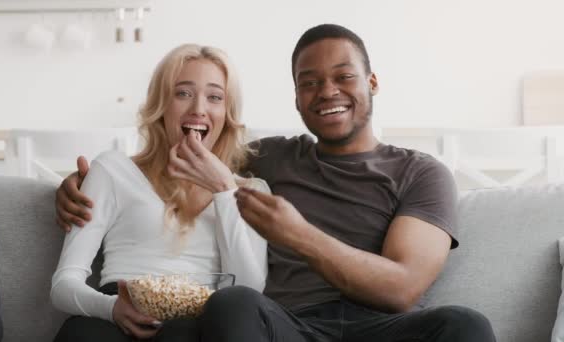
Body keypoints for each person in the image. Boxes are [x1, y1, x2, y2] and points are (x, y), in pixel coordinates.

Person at [56, 24, 496, 342]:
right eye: (310, 83)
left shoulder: (422, 172)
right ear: (297, 99)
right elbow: (193, 156)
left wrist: (297, 233)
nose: (327, 91)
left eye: (343, 76)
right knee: (235, 303)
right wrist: (79, 185)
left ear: (372, 82)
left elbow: (401, 289)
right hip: (287, 325)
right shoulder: (269, 158)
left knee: (466, 324)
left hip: (381, 328)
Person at [50, 43, 269, 342]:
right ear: (161, 105)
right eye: (183, 93)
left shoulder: (250, 192)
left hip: (198, 320)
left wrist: (223, 190)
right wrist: (112, 308)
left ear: (227, 113)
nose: (198, 109)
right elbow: (63, 284)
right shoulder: (113, 170)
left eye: (215, 97)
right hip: (112, 312)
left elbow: (247, 293)